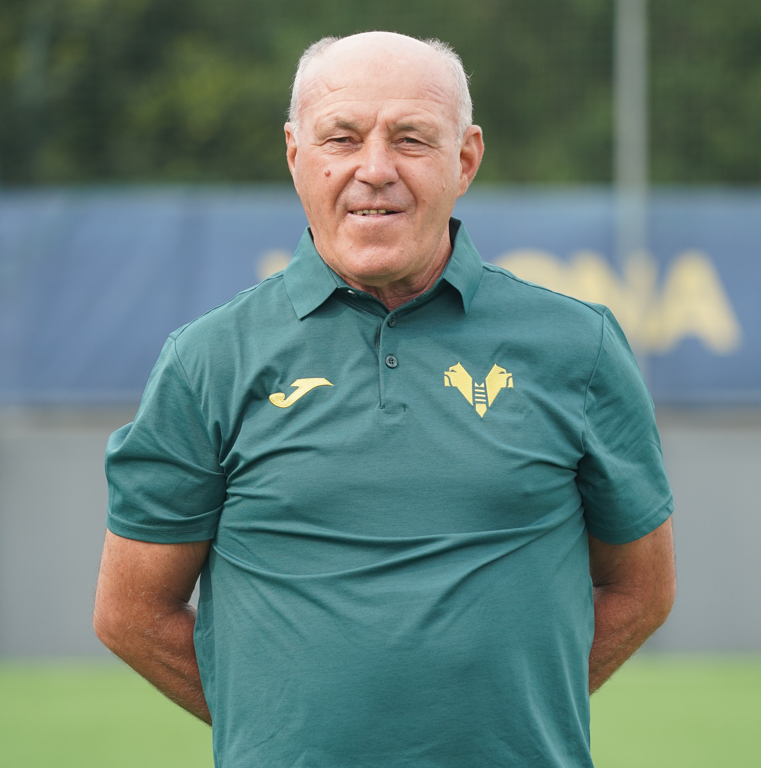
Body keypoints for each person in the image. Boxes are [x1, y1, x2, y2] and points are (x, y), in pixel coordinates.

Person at [94, 31, 676, 767]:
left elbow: (641, 591)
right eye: (342, 138)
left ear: (465, 159)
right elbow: (131, 613)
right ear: (296, 155)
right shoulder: (208, 359)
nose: (374, 170)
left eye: (411, 139)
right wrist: (278, 730)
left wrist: (512, 721)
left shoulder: (578, 345)